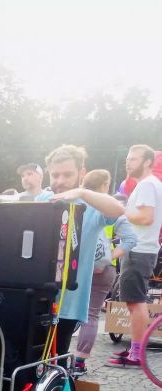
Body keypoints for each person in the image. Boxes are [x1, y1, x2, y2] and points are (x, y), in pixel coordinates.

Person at [37, 145, 125, 355]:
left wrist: (83, 192)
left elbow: (119, 209)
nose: (60, 181)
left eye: (67, 174)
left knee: (57, 360)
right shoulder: (43, 200)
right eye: (55, 174)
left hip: (69, 303)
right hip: (39, 297)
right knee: (32, 359)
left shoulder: (91, 206)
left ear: (81, 173)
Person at [71, 171, 137, 375]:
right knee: (91, 315)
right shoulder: (110, 208)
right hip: (103, 270)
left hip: (77, 267)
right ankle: (80, 362)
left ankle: (59, 356)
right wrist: (110, 256)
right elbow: (131, 240)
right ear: (105, 185)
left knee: (66, 313)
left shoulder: (78, 204)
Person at [109, 144, 162, 366]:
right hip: (141, 249)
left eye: (133, 159)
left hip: (139, 250)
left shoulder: (148, 185)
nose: (128, 162)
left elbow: (146, 217)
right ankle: (135, 350)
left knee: (135, 302)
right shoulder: (149, 185)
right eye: (128, 158)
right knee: (134, 302)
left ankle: (136, 353)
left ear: (147, 162)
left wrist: (120, 211)